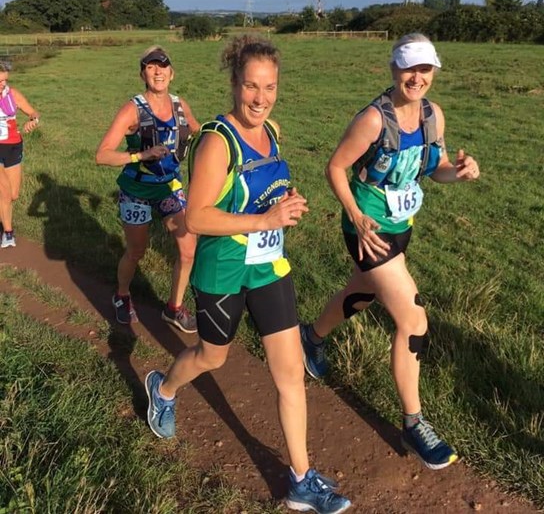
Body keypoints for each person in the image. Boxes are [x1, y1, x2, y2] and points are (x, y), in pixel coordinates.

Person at [144, 35, 351, 514]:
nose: (260, 98)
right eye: (251, 86)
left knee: (290, 374)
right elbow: (196, 218)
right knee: (211, 358)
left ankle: (301, 478)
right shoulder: (218, 141)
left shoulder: (271, 131)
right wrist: (265, 219)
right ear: (235, 83)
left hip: (268, 266)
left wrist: (284, 204)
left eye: (270, 87)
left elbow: (263, 189)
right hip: (222, 269)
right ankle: (165, 387)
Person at [300, 34, 480, 471]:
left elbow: (433, 169)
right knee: (413, 319)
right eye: (409, 68)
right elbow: (336, 167)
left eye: (425, 69)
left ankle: (311, 338)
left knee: (363, 292)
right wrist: (356, 216)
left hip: (402, 227)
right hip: (369, 232)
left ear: (434, 71)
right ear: (394, 69)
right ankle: (414, 423)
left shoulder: (433, 116)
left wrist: (459, 172)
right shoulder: (373, 120)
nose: (417, 77)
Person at [96, 46, 199, 332]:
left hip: (169, 187)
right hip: (137, 190)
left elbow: (199, 133)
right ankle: (122, 295)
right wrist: (139, 156)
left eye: (163, 66)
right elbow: (102, 154)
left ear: (172, 73)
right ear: (143, 73)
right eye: (151, 67)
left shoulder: (180, 105)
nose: (158, 71)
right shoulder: (133, 109)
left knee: (188, 249)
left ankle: (174, 308)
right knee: (137, 251)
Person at [0, 60, 40, 248]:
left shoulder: (13, 94)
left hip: (14, 146)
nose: (2, 84)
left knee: (14, 194)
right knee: (5, 194)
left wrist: (34, 120)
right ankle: (8, 233)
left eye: (4, 80)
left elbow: (33, 112)